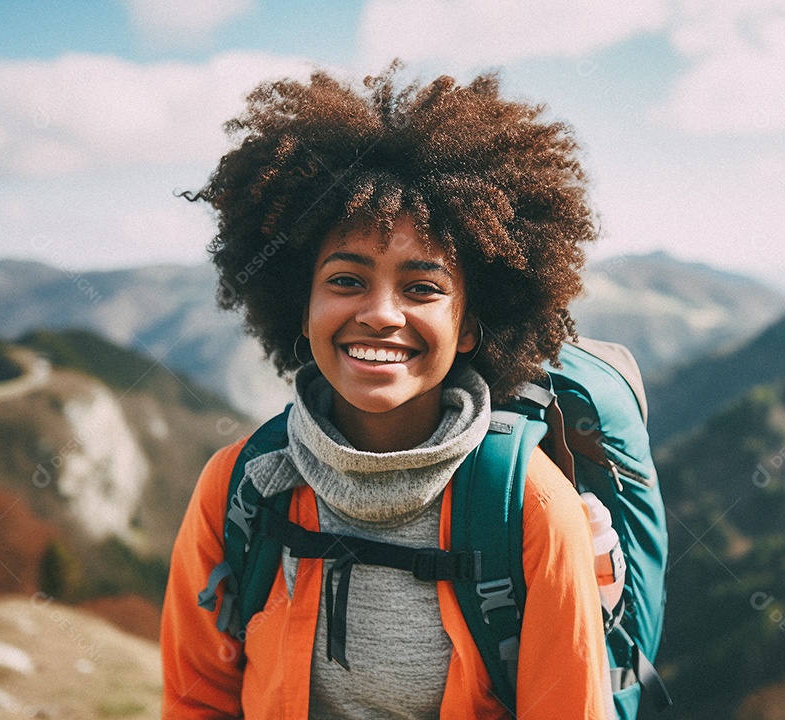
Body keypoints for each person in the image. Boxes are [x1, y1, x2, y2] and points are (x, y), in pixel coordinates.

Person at [161, 63, 609, 719]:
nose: (381, 313)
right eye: (346, 280)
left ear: (468, 329)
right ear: (300, 303)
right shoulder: (239, 489)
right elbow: (197, 702)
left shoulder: (533, 512)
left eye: (422, 287)